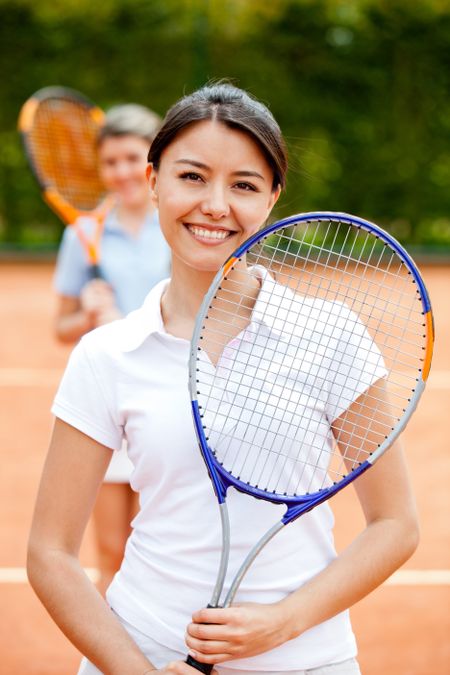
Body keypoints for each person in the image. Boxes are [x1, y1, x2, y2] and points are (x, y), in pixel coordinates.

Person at [28, 83, 419, 675]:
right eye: (192, 176)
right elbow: (50, 553)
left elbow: (396, 524)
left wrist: (280, 624)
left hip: (306, 660)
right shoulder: (106, 354)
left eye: (243, 185)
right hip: (142, 650)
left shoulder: (332, 333)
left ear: (272, 199)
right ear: (154, 180)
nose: (215, 205)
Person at [53, 103, 171, 594]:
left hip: (166, 398)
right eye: (110, 162)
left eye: (131, 158)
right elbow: (62, 327)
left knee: (163, 552)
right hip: (106, 402)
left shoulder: (182, 226)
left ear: (153, 163)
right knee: (111, 553)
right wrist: (87, 314)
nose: (121, 172)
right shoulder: (82, 234)